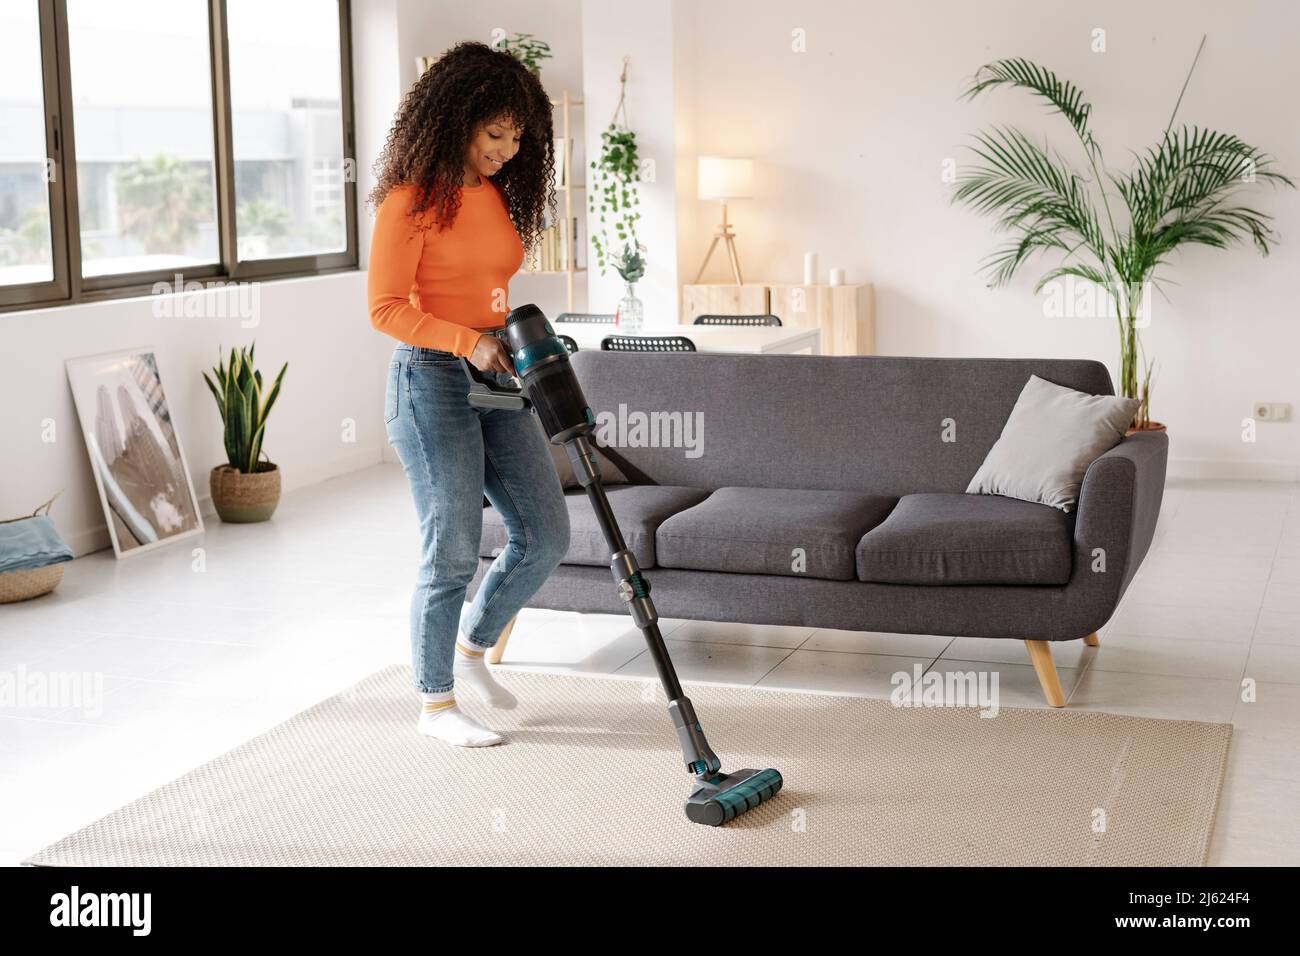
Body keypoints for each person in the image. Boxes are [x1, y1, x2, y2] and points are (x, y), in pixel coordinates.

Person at [366, 40, 569, 748]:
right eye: (495, 134)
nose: (508, 150)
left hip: (496, 370)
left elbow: (491, 287)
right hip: (430, 378)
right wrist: (468, 341)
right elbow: (385, 307)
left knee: (546, 534)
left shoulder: (492, 195)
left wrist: (505, 341)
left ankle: (472, 648)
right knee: (451, 546)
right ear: (456, 120)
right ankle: (435, 705)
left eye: (518, 137)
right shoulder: (409, 201)